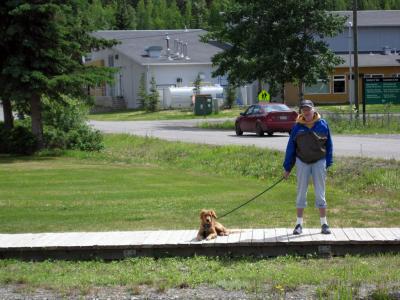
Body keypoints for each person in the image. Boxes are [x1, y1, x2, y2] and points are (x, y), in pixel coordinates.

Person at [283, 100, 333, 235]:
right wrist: (287, 168)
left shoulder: (322, 124)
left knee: (320, 193)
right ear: (301, 111)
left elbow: (329, 145)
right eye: (304, 109)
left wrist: (327, 163)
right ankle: (298, 224)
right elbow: (291, 148)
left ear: (313, 110)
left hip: (319, 161)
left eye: (308, 109)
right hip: (302, 162)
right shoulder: (297, 127)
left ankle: (324, 224)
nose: (306, 112)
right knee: (301, 193)